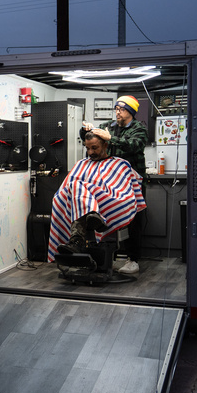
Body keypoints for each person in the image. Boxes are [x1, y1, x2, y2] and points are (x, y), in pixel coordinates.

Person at [47, 132, 146, 262]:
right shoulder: (81, 164)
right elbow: (65, 190)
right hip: (80, 202)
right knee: (76, 186)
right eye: (87, 148)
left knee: (78, 187)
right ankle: (91, 215)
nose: (90, 152)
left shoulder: (120, 164)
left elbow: (125, 192)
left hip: (110, 201)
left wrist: (93, 191)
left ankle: (77, 240)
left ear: (105, 145)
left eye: (94, 148)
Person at [81, 95, 149, 274]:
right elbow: (92, 140)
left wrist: (111, 138)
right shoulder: (108, 126)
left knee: (133, 220)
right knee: (106, 215)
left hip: (132, 181)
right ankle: (107, 255)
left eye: (122, 109)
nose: (117, 112)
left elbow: (134, 145)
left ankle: (133, 259)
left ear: (131, 112)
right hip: (111, 181)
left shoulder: (139, 128)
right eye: (116, 109)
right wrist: (87, 130)